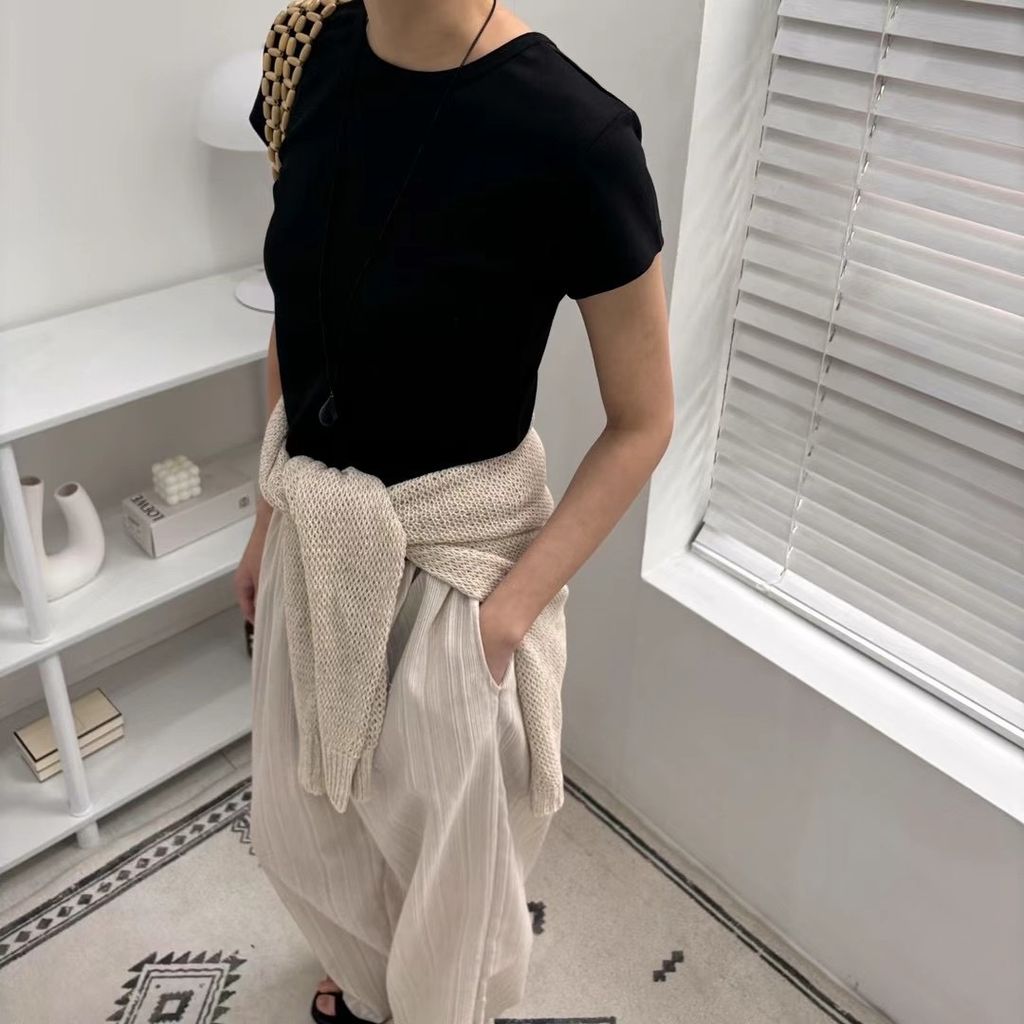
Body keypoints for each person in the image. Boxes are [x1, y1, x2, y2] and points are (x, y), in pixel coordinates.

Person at [233, 1, 673, 1021]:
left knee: (456, 888)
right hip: (314, 531)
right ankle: (370, 975)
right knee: (309, 829)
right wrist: (266, 518)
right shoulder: (304, 49)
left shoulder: (577, 136)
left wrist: (503, 620)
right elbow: (300, 313)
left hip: (456, 567)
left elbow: (643, 420)